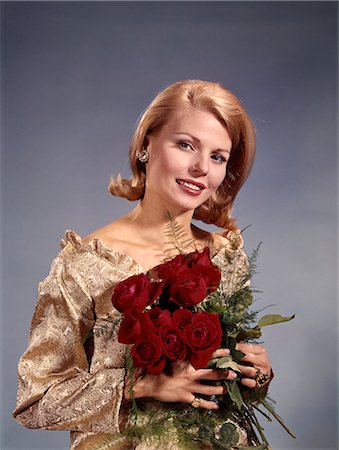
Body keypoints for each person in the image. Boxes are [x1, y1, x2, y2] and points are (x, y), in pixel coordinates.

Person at [13, 80, 272, 449]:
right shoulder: (86, 263)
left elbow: (224, 390)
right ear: (146, 145)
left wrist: (255, 376)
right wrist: (144, 385)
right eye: (186, 145)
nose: (201, 168)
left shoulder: (225, 256)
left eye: (218, 156)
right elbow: (37, 401)